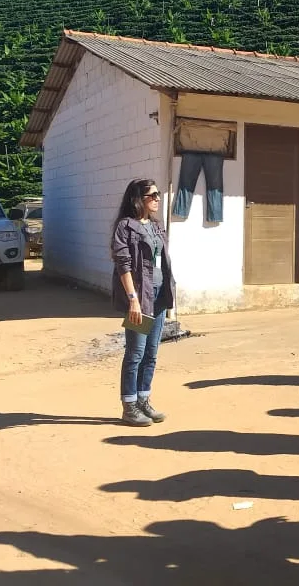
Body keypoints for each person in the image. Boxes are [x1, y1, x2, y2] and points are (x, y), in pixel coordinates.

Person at [111, 179, 176, 427]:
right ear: (138, 199)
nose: (158, 199)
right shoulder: (125, 227)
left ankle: (143, 400)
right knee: (135, 353)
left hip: (159, 295)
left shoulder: (156, 226)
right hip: (140, 298)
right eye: (152, 196)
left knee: (151, 353)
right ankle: (129, 407)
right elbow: (123, 266)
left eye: (158, 194)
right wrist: (133, 300)